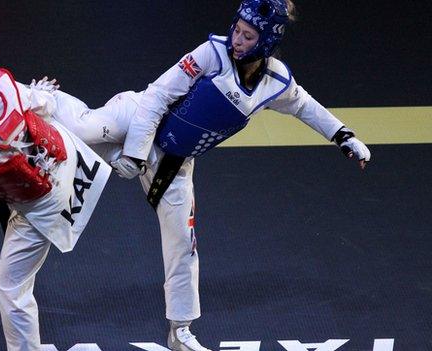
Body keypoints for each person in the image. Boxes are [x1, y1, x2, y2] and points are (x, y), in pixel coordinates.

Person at [52, 1, 371, 350]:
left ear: (265, 42)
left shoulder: (274, 81)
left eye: (248, 36)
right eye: (237, 29)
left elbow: (303, 105)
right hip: (137, 118)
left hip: (176, 162)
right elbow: (157, 96)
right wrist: (135, 153)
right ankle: (32, 99)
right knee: (82, 128)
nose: (237, 39)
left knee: (183, 246)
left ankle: (181, 331)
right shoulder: (211, 53)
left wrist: (343, 136)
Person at [0, 33, 111, 351]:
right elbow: (46, 103)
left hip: (40, 206)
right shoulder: (7, 87)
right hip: (68, 157)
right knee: (56, 109)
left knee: (10, 285)